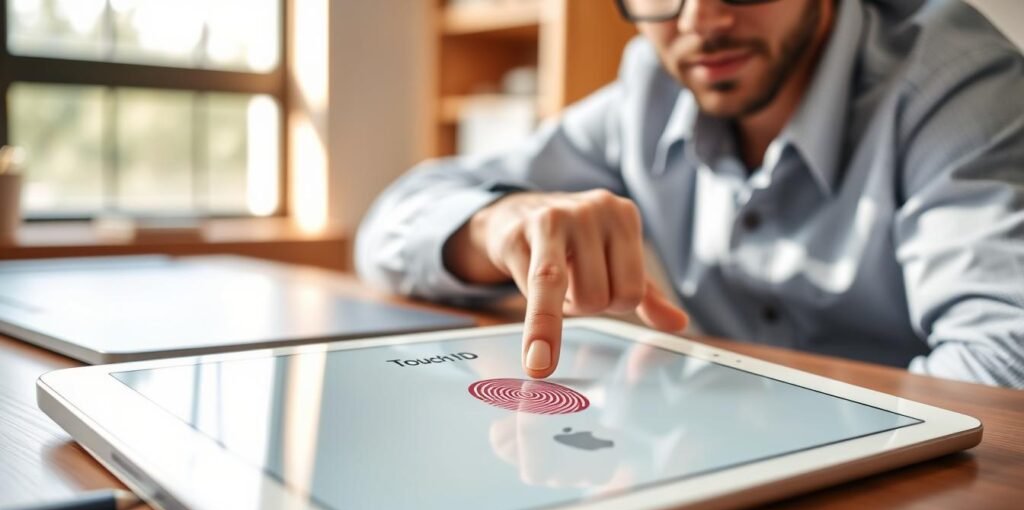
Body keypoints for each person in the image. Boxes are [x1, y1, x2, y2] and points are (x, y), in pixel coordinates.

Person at [356, 0, 1024, 389]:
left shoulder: (955, 83)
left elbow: (1002, 368)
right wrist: (496, 224)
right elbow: (388, 227)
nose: (701, 19)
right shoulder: (651, 87)